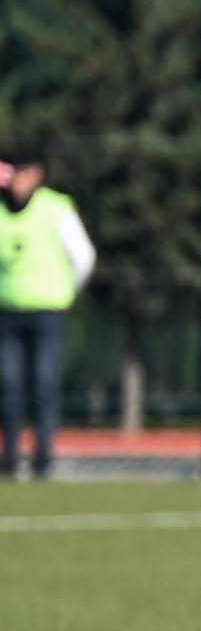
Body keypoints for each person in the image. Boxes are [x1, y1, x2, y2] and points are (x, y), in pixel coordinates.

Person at [0, 145, 95, 479]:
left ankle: (43, 457)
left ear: (35, 174)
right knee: (7, 384)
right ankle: (10, 457)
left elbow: (83, 256)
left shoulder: (55, 208)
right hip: (6, 313)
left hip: (48, 312)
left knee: (44, 382)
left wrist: (67, 292)